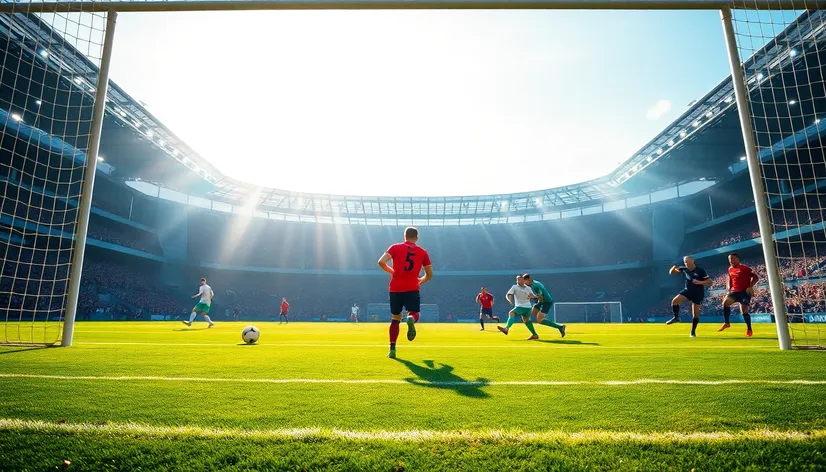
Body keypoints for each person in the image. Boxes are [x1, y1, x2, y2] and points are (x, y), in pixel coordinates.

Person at [378, 226, 433, 359]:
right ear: (417, 238)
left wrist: (393, 272)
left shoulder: (395, 247)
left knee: (395, 318)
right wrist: (420, 280)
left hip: (395, 288)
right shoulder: (423, 252)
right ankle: (411, 319)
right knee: (415, 313)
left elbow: (381, 262)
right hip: (412, 288)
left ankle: (392, 349)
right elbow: (429, 274)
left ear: (404, 236)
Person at [666, 256, 712, 337]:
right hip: (687, 291)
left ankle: (693, 332)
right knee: (674, 301)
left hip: (698, 293)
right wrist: (674, 267)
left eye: (687, 261)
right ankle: (676, 318)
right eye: (684, 261)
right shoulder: (684, 269)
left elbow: (710, 282)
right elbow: (671, 272)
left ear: (692, 261)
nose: (685, 263)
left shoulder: (701, 271)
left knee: (695, 315)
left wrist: (699, 282)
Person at [720, 253, 759, 337]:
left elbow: (756, 277)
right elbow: (730, 279)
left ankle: (749, 329)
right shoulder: (730, 269)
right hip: (733, 291)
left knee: (744, 311)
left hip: (744, 292)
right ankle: (726, 323)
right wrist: (728, 290)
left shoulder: (745, 268)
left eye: (732, 259)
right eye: (729, 259)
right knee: (725, 303)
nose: (731, 261)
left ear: (738, 259)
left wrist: (750, 286)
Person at [522, 273, 566, 338]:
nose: (524, 283)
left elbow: (540, 296)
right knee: (533, 313)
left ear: (528, 280)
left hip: (546, 302)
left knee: (539, 320)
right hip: (541, 301)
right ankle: (534, 334)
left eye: (524, 281)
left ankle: (560, 327)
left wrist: (532, 297)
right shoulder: (533, 283)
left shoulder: (535, 286)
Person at [498, 275, 540, 339]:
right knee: (526, 320)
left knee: (511, 313)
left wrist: (533, 297)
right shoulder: (515, 287)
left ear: (523, 280)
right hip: (528, 308)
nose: (518, 281)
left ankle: (506, 328)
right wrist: (509, 300)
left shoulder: (528, 288)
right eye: (517, 279)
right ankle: (534, 335)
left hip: (522, 306)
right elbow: (508, 294)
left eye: (520, 279)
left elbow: (534, 296)